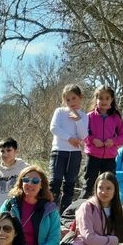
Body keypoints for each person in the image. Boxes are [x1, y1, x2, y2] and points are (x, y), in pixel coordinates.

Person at [81, 86, 123, 199]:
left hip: (110, 158)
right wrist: (92, 140)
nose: (104, 101)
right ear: (96, 99)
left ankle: (108, 211)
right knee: (89, 183)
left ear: (112, 100)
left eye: (107, 98)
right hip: (92, 156)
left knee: (108, 184)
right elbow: (82, 134)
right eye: (100, 98)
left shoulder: (116, 118)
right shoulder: (89, 117)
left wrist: (113, 141)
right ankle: (80, 209)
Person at [49, 84, 88, 212]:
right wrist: (69, 138)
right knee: (55, 182)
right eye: (68, 99)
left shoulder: (83, 115)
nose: (71, 102)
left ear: (80, 98)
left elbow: (83, 135)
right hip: (58, 152)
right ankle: (50, 212)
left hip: (75, 154)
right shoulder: (60, 111)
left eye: (74, 98)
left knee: (70, 184)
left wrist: (78, 120)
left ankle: (64, 214)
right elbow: (54, 128)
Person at [0, 137, 28, 218]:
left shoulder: (25, 169)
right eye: (2, 151)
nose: (5, 154)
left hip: (19, 216)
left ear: (16, 151)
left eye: (9, 150)